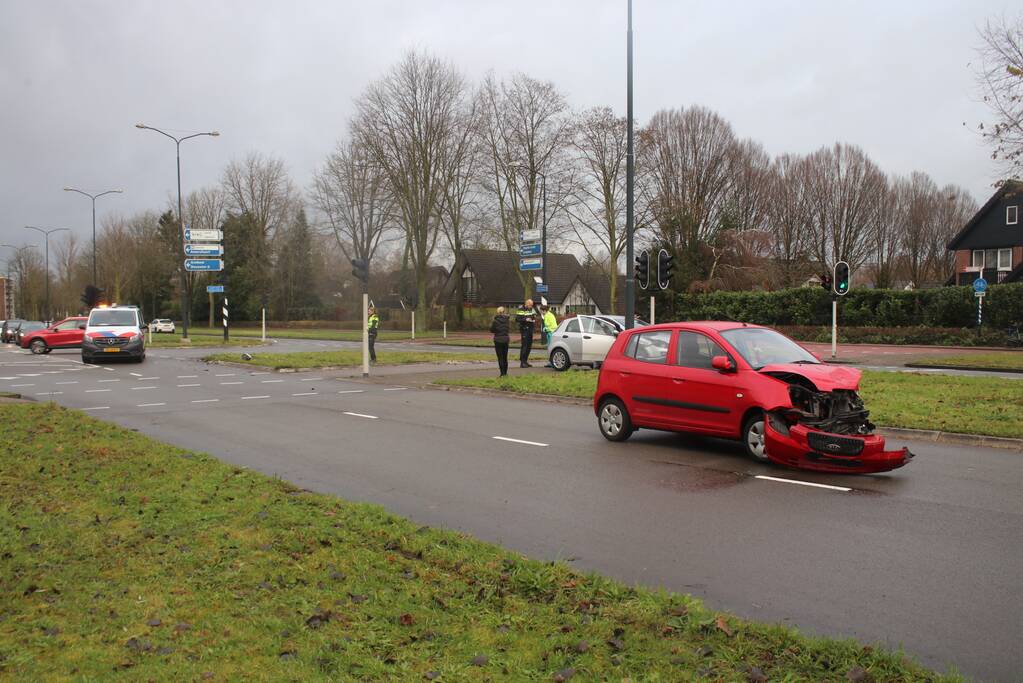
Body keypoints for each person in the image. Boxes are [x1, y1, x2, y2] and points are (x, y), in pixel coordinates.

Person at [515, 298, 537, 368]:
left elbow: (535, 315)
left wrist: (533, 319)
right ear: (527, 304)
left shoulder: (532, 309)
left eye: (532, 305)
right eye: (530, 305)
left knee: (529, 346)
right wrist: (526, 319)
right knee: (524, 345)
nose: (531, 306)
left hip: (530, 329)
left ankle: (525, 361)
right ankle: (522, 362)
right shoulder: (521, 309)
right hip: (524, 329)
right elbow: (517, 319)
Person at [490, 306, 511, 376]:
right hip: (506, 339)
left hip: (498, 340)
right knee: (505, 357)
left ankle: (502, 373)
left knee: (500, 357)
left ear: (498, 312)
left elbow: (492, 330)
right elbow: (508, 329)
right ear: (504, 312)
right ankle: (505, 373)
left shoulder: (495, 321)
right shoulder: (507, 320)